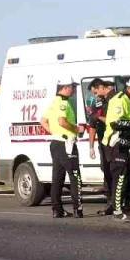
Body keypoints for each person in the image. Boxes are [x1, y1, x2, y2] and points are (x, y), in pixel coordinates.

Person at [102, 76, 130, 222]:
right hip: (116, 145)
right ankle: (117, 211)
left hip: (124, 144)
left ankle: (124, 208)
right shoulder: (119, 99)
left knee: (126, 177)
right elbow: (116, 123)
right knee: (120, 178)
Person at [40, 80, 83, 218]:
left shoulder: (54, 102)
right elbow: (62, 121)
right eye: (72, 87)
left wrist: (54, 132)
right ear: (65, 87)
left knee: (57, 178)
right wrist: (76, 129)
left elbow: (43, 121)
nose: (74, 90)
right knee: (75, 176)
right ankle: (78, 209)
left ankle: (57, 209)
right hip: (66, 143)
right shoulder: (63, 103)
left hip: (56, 143)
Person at [85, 78, 115, 215]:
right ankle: (110, 201)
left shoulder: (113, 98)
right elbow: (92, 125)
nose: (95, 95)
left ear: (101, 87)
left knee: (115, 171)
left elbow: (112, 120)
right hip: (103, 142)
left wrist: (99, 118)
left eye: (95, 92)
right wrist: (91, 146)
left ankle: (118, 201)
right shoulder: (98, 103)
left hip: (114, 140)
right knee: (106, 170)